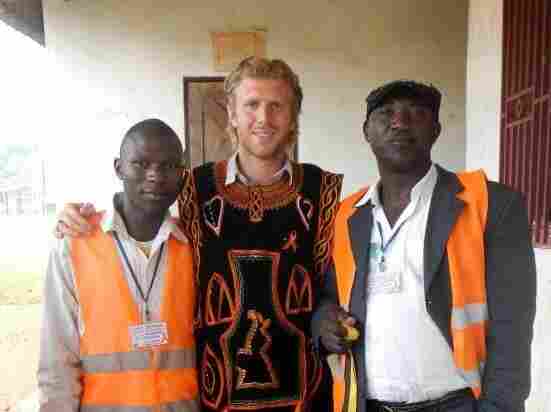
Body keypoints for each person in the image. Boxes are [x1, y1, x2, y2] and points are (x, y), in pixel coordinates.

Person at [54, 57, 343, 412]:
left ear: (294, 115)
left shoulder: (322, 190)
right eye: (252, 104)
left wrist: (328, 315)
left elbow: (331, 286)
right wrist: (82, 216)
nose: (264, 118)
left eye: (277, 106)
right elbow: (141, 208)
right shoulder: (193, 188)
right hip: (212, 399)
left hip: (304, 398)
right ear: (232, 113)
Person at [312, 80, 537, 412]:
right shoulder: (346, 215)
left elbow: (512, 331)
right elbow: (329, 295)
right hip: (365, 404)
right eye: (386, 112)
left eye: (416, 112)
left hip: (457, 404)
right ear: (366, 131)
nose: (400, 122)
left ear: (436, 130)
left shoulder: (490, 205)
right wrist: (323, 323)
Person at [39, 119, 199, 412]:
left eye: (168, 166)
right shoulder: (75, 243)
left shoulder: (193, 245)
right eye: (141, 163)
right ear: (118, 168)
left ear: (182, 174)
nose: (155, 176)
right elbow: (57, 362)